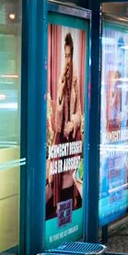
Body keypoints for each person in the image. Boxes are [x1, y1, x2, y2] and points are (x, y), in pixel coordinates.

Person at [48, 32, 84, 216]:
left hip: (73, 136)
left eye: (70, 55)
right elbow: (55, 124)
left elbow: (80, 111)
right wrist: (61, 93)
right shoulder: (60, 82)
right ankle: (59, 211)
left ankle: (71, 206)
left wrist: (73, 122)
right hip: (61, 138)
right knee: (58, 175)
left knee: (70, 175)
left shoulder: (76, 80)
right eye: (65, 55)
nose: (68, 60)